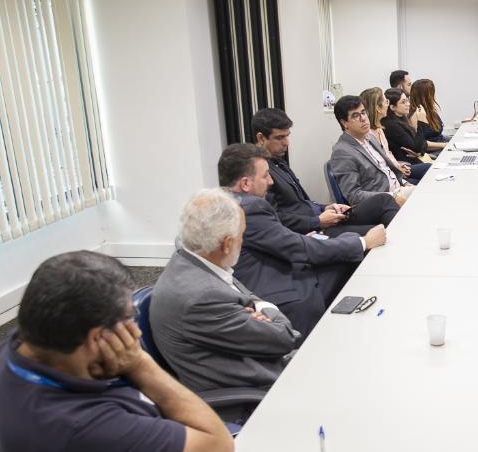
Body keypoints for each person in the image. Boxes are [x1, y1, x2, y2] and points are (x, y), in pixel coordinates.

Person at [0, 251, 234, 452]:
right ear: (98, 339)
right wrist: (140, 364)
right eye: (129, 319)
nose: (136, 331)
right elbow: (219, 446)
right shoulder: (79, 430)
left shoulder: (23, 346)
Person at [221, 143, 385, 335]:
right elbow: (299, 249)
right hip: (285, 293)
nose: (271, 181)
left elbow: (277, 240)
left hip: (272, 274)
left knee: (348, 240)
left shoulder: (229, 202)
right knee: (354, 245)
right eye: (265, 176)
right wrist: (364, 242)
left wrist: (299, 238)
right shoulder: (250, 207)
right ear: (245, 183)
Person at [151, 188, 301, 393]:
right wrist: (264, 306)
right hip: (259, 390)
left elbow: (245, 296)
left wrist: (254, 306)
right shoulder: (203, 296)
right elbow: (284, 337)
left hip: (259, 362)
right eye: (242, 235)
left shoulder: (193, 259)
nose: (243, 241)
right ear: (227, 244)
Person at [252, 108, 398, 236]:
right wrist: (318, 221)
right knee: (380, 231)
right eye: (279, 138)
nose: (286, 143)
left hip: (320, 216)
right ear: (261, 138)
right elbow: (274, 218)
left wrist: (325, 207)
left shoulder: (278, 162)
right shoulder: (260, 173)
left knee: (384, 200)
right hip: (311, 230)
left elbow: (302, 203)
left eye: (287, 136)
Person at [330, 94, 415, 208]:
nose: (363, 118)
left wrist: (405, 184)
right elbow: (354, 196)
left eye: (363, 112)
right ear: (344, 123)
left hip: (399, 190)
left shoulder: (370, 137)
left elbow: (387, 170)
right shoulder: (342, 152)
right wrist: (392, 197)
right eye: (355, 115)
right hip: (383, 204)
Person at [360, 87, 425, 184]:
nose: (387, 104)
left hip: (396, 168)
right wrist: (397, 168)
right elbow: (380, 162)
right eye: (386, 101)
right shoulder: (373, 132)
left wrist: (398, 166)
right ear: (378, 108)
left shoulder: (379, 128)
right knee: (426, 174)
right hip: (389, 174)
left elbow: (388, 153)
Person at [409, 78, 448, 150]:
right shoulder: (415, 116)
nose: (434, 96)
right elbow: (421, 144)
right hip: (433, 151)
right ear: (426, 96)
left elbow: (439, 136)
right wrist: (444, 145)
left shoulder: (431, 111)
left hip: (442, 144)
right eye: (432, 93)